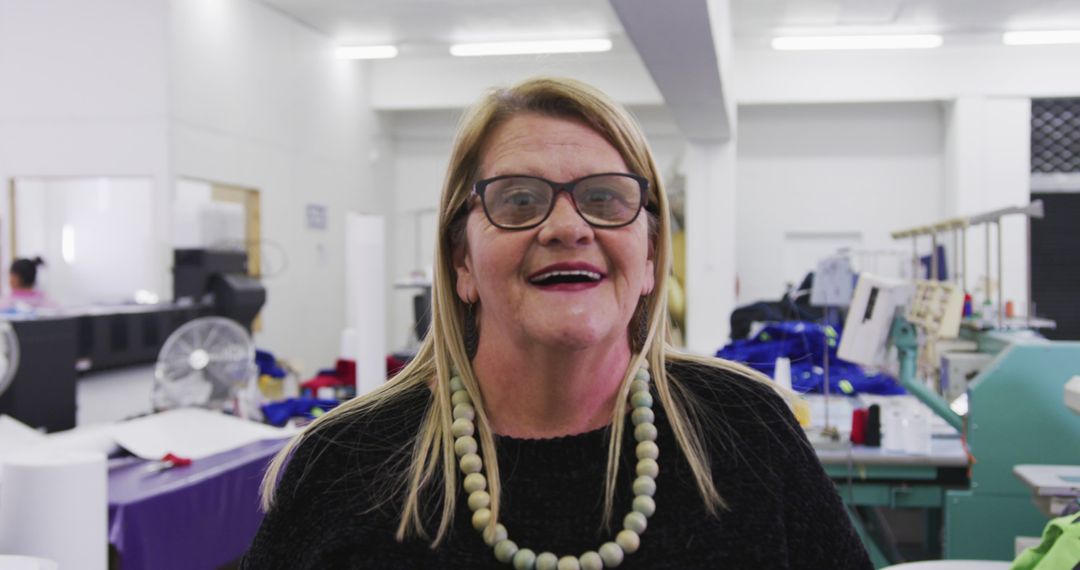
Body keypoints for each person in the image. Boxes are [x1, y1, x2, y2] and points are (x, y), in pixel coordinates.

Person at [242, 77, 871, 569]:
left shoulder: (748, 432)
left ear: (650, 256)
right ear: (462, 260)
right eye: (519, 199)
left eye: (605, 199)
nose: (568, 228)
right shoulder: (344, 464)